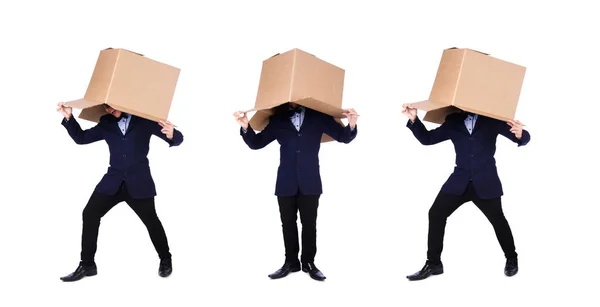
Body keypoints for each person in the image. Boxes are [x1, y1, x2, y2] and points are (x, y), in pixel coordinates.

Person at [401, 104, 530, 281]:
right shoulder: (453, 121)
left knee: (498, 220)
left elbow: (521, 138)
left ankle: (512, 259)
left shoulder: (492, 118)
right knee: (436, 214)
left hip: (486, 182)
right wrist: (414, 119)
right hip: (459, 182)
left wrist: (520, 134)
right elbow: (427, 139)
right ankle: (433, 264)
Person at [56, 102, 183, 282]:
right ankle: (87, 265)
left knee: (151, 221)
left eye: (112, 105)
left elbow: (177, 140)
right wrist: (69, 117)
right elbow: (81, 138)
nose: (109, 109)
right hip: (113, 182)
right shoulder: (106, 123)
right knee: (90, 213)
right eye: (106, 107)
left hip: (139, 182)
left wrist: (173, 135)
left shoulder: (145, 120)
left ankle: (165, 259)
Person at [234, 102, 358, 281]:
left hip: (310, 180)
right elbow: (256, 143)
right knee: (288, 225)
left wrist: (352, 124)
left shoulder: (318, 116)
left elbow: (343, 137)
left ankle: (309, 262)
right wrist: (246, 126)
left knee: (309, 225)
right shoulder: (277, 119)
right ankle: (291, 262)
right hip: (285, 182)